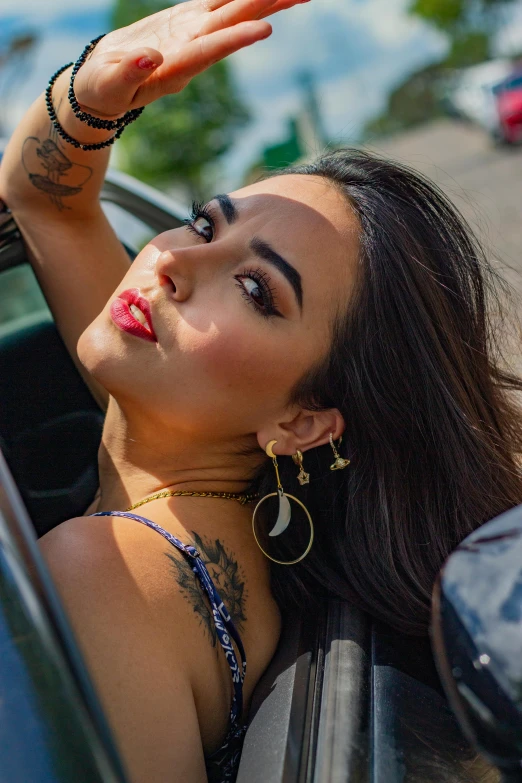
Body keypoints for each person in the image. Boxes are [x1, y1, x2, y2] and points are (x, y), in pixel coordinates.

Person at [0, 1, 521, 781]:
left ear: (303, 419)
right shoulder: (200, 477)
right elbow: (45, 199)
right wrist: (95, 92)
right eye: (207, 225)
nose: (171, 262)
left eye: (254, 289)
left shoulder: (102, 571)